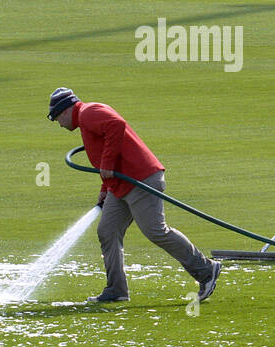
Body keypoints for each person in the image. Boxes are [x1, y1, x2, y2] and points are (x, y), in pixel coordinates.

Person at [48, 87, 221, 305]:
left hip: (140, 179)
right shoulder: (85, 121)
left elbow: (116, 126)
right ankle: (116, 290)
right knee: (107, 231)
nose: (60, 124)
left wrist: (108, 165)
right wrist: (105, 188)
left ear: (65, 110)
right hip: (120, 185)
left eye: (57, 118)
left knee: (156, 231)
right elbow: (104, 154)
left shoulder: (88, 113)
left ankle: (206, 270)